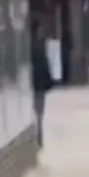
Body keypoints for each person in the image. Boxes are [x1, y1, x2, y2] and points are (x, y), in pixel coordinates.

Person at [30, 18, 54, 146]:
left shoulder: (32, 45)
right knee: (39, 110)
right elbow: (44, 65)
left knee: (37, 110)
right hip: (38, 82)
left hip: (35, 82)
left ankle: (38, 135)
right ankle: (39, 136)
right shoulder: (38, 46)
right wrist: (48, 80)